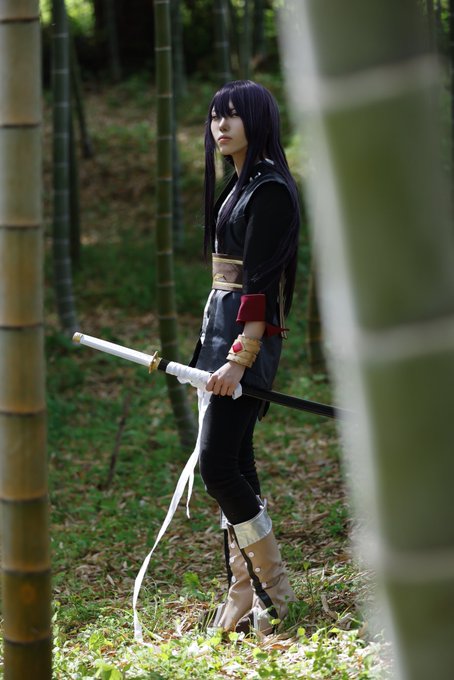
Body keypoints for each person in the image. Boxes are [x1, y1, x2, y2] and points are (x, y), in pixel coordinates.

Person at [191, 80, 301, 635]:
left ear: (258, 121)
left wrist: (241, 355)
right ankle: (244, 593)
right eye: (216, 116)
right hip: (220, 332)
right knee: (236, 462)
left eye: (233, 115)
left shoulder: (270, 189)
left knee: (217, 466)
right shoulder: (238, 185)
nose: (221, 125)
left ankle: (273, 593)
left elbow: (259, 286)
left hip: (244, 341)